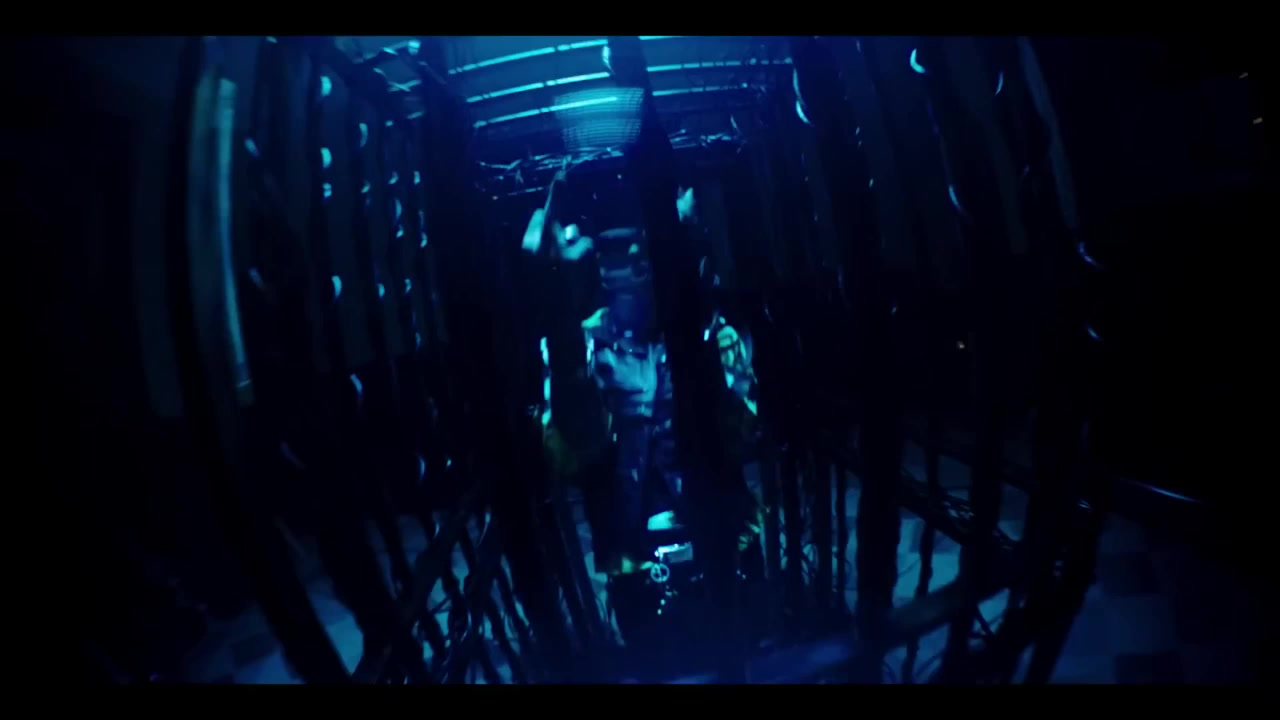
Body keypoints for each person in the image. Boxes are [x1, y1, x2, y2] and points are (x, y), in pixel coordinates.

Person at [524, 173, 764, 598]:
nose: (634, 259)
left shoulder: (707, 331)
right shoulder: (583, 344)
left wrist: (698, 309)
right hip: (633, 557)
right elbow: (574, 451)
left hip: (725, 539)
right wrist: (557, 305)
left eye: (645, 244)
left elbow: (743, 432)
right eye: (619, 247)